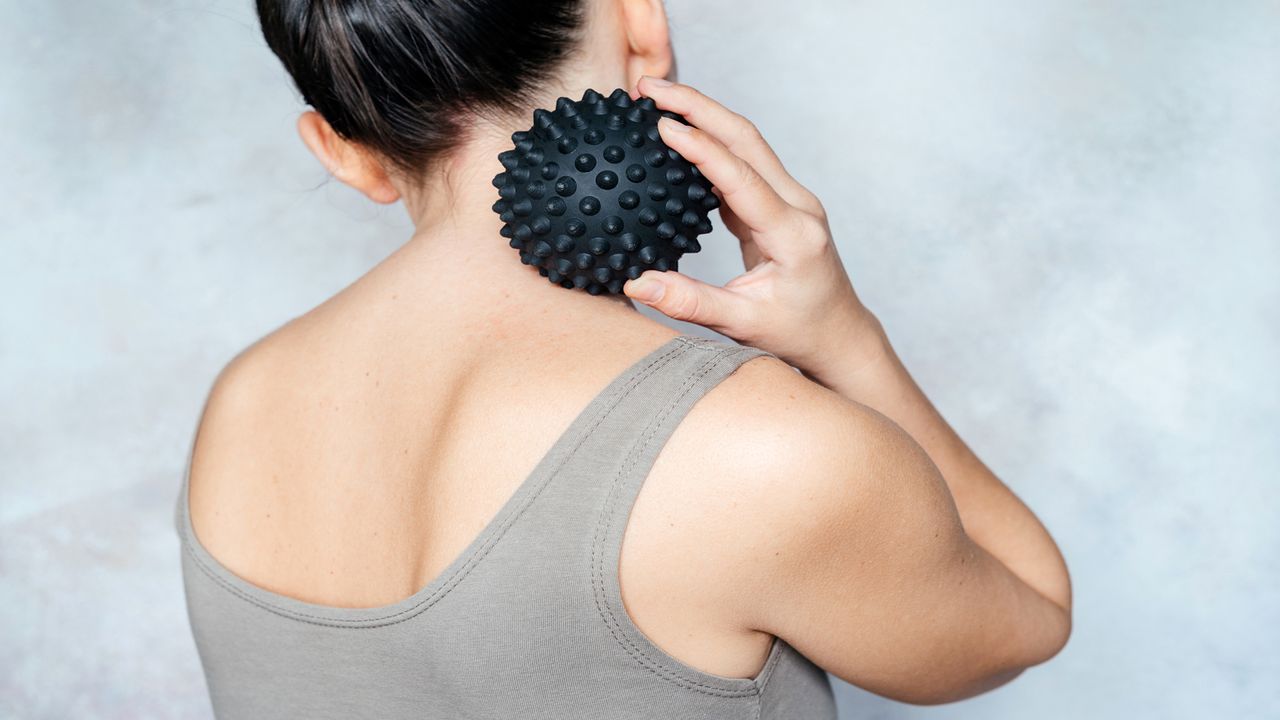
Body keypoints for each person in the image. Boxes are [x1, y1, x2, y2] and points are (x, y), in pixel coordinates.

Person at [177, 0, 1072, 717]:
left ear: (341, 152)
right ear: (643, 25)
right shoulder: (759, 453)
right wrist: (847, 340)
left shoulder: (242, 404)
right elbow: (1030, 613)